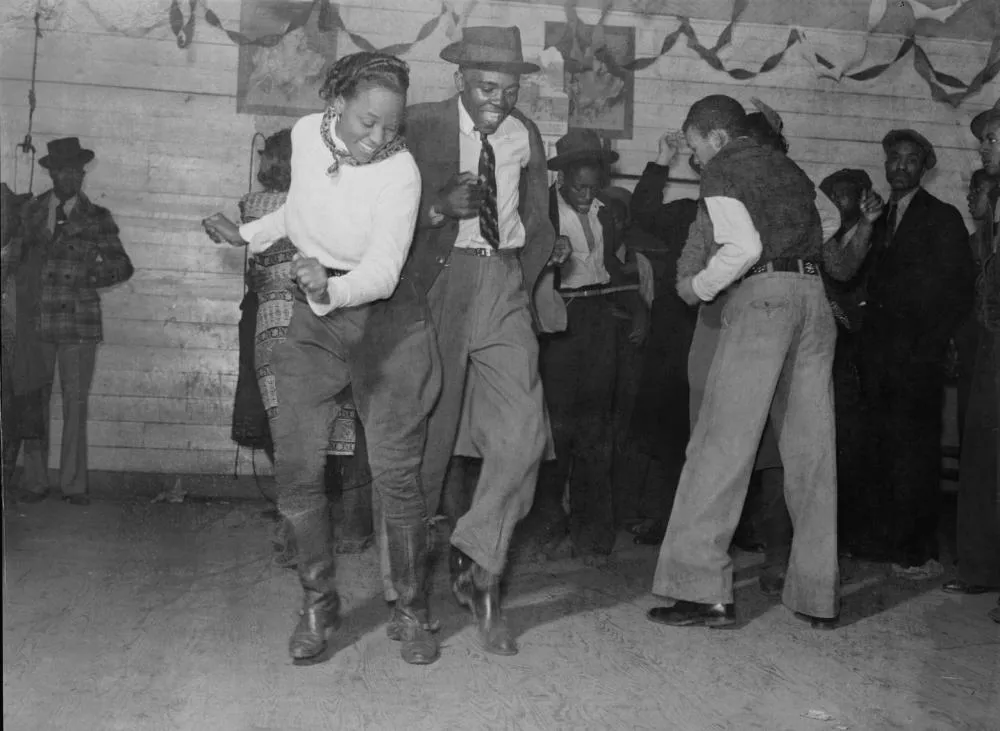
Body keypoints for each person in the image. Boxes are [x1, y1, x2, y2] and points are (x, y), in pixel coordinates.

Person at [202, 52, 442, 666]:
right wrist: (250, 234)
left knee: (395, 471)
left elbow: (384, 274)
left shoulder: (402, 173)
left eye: (391, 126)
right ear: (336, 103)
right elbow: (302, 208)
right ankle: (318, 605)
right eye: (367, 122)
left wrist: (326, 288)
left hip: (387, 321)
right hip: (318, 315)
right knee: (297, 464)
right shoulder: (308, 135)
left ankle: (412, 609)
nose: (378, 138)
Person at [402, 26, 566, 656]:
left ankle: (477, 558)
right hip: (438, 283)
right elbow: (377, 206)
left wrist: (520, 284)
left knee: (526, 434)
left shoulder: (525, 133)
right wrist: (438, 207)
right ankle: (411, 599)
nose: (499, 99)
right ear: (460, 80)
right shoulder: (419, 126)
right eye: (486, 87)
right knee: (428, 443)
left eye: (510, 87)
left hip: (502, 282)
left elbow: (537, 217)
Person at [647, 95, 840, 629]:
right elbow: (829, 220)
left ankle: (703, 590)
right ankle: (817, 596)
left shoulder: (725, 167)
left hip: (766, 299)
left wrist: (695, 286)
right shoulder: (789, 167)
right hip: (814, 298)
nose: (694, 158)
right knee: (812, 454)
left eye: (692, 146)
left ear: (716, 136)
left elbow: (742, 248)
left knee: (719, 446)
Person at [227, 129, 372, 567]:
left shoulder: (255, 205)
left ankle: (300, 528)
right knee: (329, 422)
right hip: (310, 319)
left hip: (272, 322)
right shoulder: (284, 205)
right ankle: (319, 524)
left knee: (287, 426)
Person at [857, 129, 976, 578]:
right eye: (894, 158)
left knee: (916, 452)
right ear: (885, 164)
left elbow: (957, 289)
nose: (901, 166)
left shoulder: (942, 218)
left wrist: (930, 345)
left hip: (917, 357)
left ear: (924, 168)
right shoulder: (874, 217)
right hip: (877, 356)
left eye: (911, 159)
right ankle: (881, 541)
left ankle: (916, 550)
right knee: (879, 446)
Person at [530, 129, 646, 560]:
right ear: (560, 179)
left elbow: (611, 266)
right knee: (557, 427)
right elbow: (524, 267)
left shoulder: (608, 211)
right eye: (578, 186)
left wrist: (638, 308)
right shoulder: (541, 212)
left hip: (599, 320)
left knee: (597, 427)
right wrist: (548, 257)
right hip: (559, 322)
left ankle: (592, 531)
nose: (586, 193)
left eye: (592, 184)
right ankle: (547, 524)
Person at [7, 138, 134, 507]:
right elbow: (14, 261)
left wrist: (89, 277)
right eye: (64, 170)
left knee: (75, 405)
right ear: (51, 172)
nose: (72, 176)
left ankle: (74, 485)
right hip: (36, 322)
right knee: (34, 399)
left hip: (78, 323)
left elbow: (123, 265)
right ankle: (33, 481)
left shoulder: (98, 217)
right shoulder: (29, 212)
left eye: (77, 170)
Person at [621, 137, 700, 545]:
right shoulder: (687, 212)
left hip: (722, 333)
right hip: (675, 336)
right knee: (668, 430)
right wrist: (663, 161)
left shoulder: (749, 215)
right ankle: (664, 518)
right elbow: (644, 212)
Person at [944, 100, 1000, 599]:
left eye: (992, 139)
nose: (984, 147)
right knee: (983, 457)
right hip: (989, 345)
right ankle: (981, 570)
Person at [817, 168, 884, 559]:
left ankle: (850, 534)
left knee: (850, 447)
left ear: (862, 201)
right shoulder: (823, 242)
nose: (838, 203)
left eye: (845, 196)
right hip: (822, 355)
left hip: (854, 359)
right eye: (832, 196)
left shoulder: (872, 241)